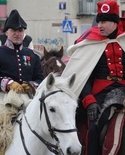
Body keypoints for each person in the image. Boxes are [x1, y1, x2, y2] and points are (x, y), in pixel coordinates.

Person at [61, 0, 125, 155]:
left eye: (104, 21)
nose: (100, 25)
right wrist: (89, 101)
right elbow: (83, 75)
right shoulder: (90, 43)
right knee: (94, 126)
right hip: (100, 93)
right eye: (99, 21)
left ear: (115, 23)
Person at [0, 9, 44, 121]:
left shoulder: (33, 55)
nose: (17, 34)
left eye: (20, 30)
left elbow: (40, 79)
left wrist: (31, 85)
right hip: (2, 97)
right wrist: (7, 83)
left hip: (27, 97)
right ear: (6, 32)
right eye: (13, 30)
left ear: (24, 33)